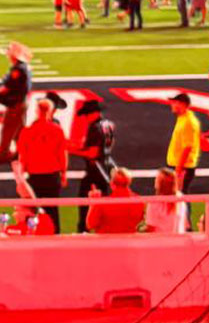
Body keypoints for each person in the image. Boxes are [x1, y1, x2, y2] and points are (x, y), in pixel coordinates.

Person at [15, 96, 67, 234]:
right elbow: (62, 154)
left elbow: (22, 157)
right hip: (52, 175)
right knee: (52, 210)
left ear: (37, 111)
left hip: (34, 175)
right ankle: (55, 236)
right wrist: (64, 174)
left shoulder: (27, 131)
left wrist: (20, 178)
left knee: (33, 210)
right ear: (51, 111)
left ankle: (34, 235)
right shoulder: (57, 130)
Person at [69, 98, 115, 233]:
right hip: (106, 167)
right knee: (104, 202)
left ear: (92, 113)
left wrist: (70, 150)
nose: (85, 118)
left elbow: (92, 153)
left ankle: (83, 232)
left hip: (95, 170)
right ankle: (104, 230)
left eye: (86, 115)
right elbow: (105, 145)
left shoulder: (94, 127)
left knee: (84, 203)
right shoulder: (108, 125)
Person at [0, 40, 32, 162]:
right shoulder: (23, 67)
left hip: (16, 103)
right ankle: (22, 152)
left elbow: (7, 86)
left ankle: (4, 154)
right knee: (19, 130)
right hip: (22, 102)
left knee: (8, 129)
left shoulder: (18, 70)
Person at [87, 168, 145, 234]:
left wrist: (93, 202)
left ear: (112, 183)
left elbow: (90, 224)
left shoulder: (103, 203)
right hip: (129, 242)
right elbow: (140, 223)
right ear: (129, 182)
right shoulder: (138, 201)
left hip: (106, 242)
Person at [166, 92, 202, 192]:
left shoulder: (188, 122)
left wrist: (178, 169)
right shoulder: (183, 118)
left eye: (174, 102)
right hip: (180, 165)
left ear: (182, 104)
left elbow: (188, 147)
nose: (172, 105)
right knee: (179, 196)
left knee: (180, 196)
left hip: (183, 167)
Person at [143, 167, 187, 234]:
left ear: (160, 183)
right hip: (179, 239)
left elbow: (150, 228)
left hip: (161, 241)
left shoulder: (154, 202)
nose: (155, 180)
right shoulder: (180, 198)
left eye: (157, 179)